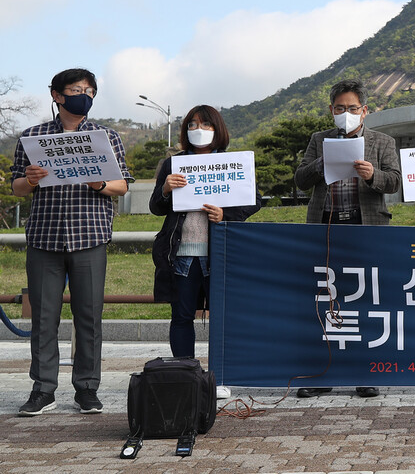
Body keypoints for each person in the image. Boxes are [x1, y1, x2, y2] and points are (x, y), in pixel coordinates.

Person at [11, 68, 132, 416]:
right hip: (44, 237)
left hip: (89, 235)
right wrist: (30, 180)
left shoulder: (106, 136)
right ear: (57, 96)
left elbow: (122, 185)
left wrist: (99, 185)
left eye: (90, 91)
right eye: (77, 89)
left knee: (89, 316)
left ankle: (87, 389)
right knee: (44, 317)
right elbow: (16, 187)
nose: (85, 95)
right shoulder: (32, 137)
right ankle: (43, 389)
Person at [294, 79, 402, 399]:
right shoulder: (319, 140)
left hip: (365, 227)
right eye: (339, 108)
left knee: (365, 300)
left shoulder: (382, 142)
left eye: (352, 108)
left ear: (365, 111)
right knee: (325, 300)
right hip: (326, 226)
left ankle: (364, 372)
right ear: (331, 110)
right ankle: (322, 373)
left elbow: (394, 181)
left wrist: (372, 176)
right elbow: (301, 180)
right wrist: (321, 162)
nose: (346, 113)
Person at [149, 105, 261, 400]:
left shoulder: (231, 163)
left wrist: (226, 214)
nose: (198, 129)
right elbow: (155, 207)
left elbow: (253, 201)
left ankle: (219, 377)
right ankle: (185, 374)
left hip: (220, 253)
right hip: (182, 252)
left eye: (206, 124)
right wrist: (164, 190)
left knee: (221, 318)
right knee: (182, 316)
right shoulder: (173, 164)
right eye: (192, 124)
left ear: (218, 130)